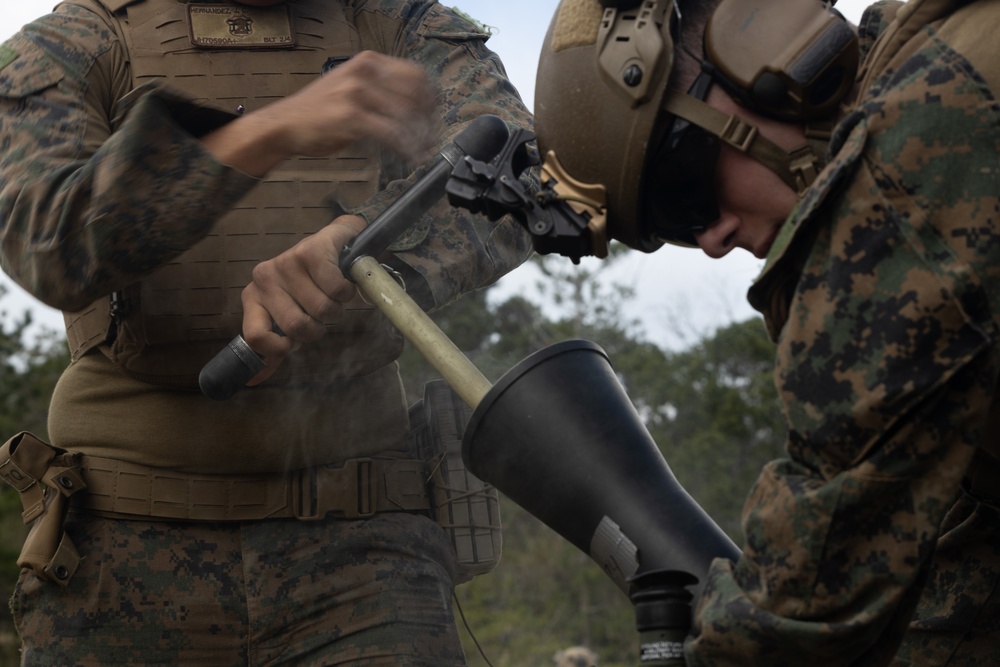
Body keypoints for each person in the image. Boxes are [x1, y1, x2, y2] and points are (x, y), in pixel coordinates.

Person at [0, 0, 534, 664]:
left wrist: (369, 237)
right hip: (119, 547)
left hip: (364, 549)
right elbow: (45, 237)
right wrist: (262, 136)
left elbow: (516, 165)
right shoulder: (78, 40)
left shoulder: (395, 23)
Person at [532, 0, 999, 664]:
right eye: (674, 228)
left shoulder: (925, 132)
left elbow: (820, 570)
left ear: (759, 52)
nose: (714, 238)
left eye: (684, 188)